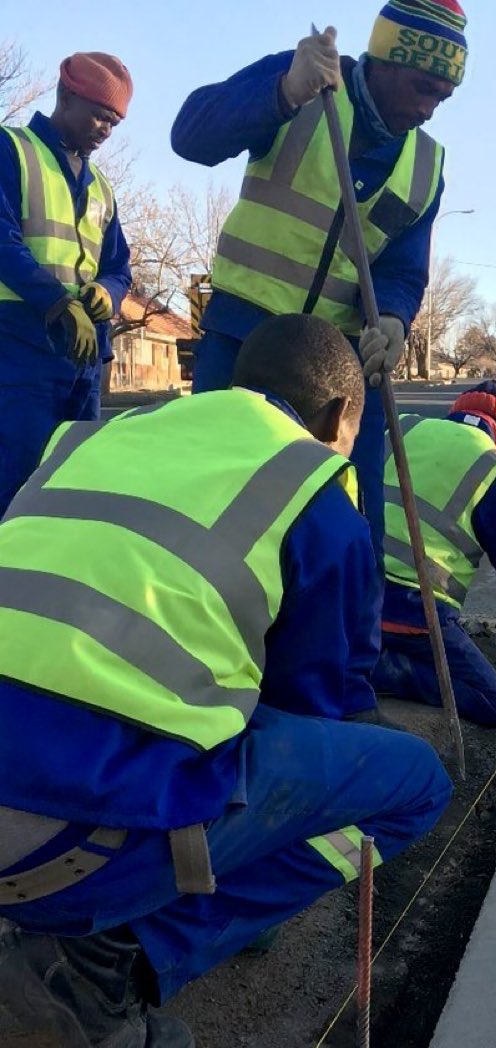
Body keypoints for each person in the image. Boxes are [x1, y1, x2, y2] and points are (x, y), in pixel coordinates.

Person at [0, 314, 452, 1046]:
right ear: (341, 417)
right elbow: (310, 715)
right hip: (63, 841)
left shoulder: (90, 438)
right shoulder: (310, 490)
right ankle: (112, 960)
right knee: (414, 786)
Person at [170, 0, 468, 661]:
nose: (430, 108)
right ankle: (201, 658)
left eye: (444, 96)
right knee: (212, 500)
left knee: (351, 523)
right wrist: (280, 93)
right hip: (242, 342)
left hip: (336, 365)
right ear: (387, 58)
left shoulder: (426, 164)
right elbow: (191, 135)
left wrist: (392, 320)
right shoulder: (304, 84)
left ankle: (347, 680)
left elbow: (403, 268)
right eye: (424, 87)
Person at [374, 381, 496, 727]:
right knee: (492, 704)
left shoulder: (403, 426)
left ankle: (356, 656)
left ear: (459, 411)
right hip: (418, 617)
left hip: (353, 599)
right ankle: (380, 670)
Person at [0, 52, 133, 515]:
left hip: (85, 359)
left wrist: (106, 294)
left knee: (73, 488)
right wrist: (57, 302)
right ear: (64, 96)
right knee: (16, 485)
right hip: (21, 353)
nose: (105, 130)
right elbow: (2, 239)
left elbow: (120, 267)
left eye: (114, 123)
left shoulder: (101, 186)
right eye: (99, 115)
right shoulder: (11, 150)